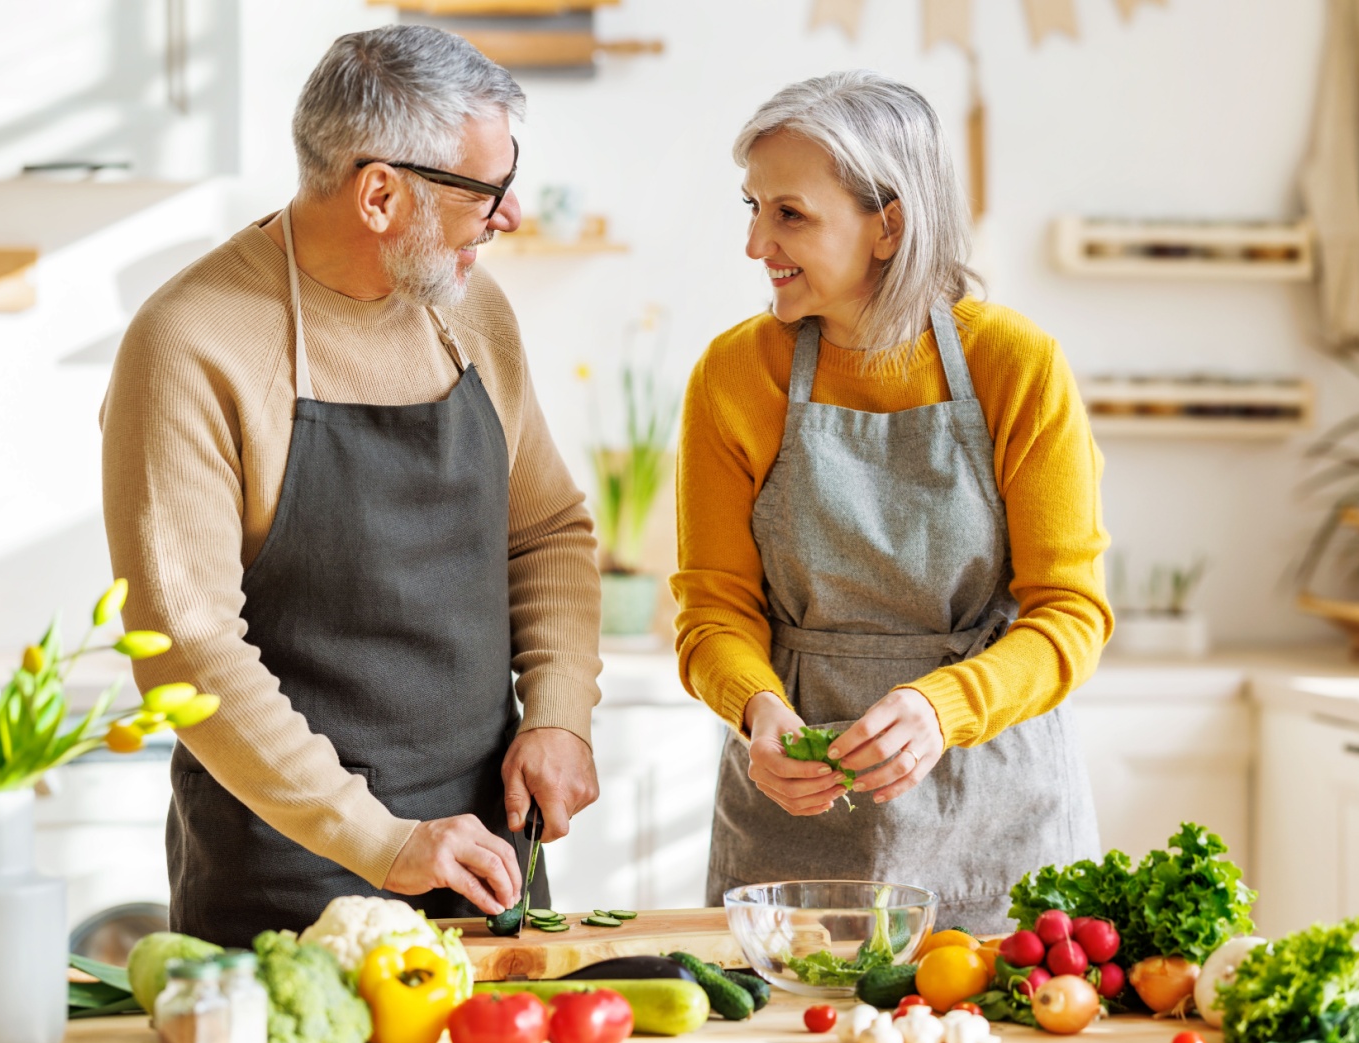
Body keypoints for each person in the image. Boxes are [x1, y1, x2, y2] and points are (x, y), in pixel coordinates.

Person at [101, 26, 602, 948]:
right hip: (285, 891)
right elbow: (188, 651)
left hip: (486, 862)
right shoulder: (191, 342)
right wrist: (381, 842)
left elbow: (548, 532)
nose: (513, 214)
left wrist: (562, 714)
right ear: (380, 194)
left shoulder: (472, 312)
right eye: (486, 191)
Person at [673, 70, 1110, 931]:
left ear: (890, 225)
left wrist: (939, 709)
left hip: (998, 816)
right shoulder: (734, 375)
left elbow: (1070, 615)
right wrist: (757, 712)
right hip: (791, 822)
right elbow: (712, 611)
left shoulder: (1016, 366)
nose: (757, 243)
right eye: (752, 208)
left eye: (789, 213)